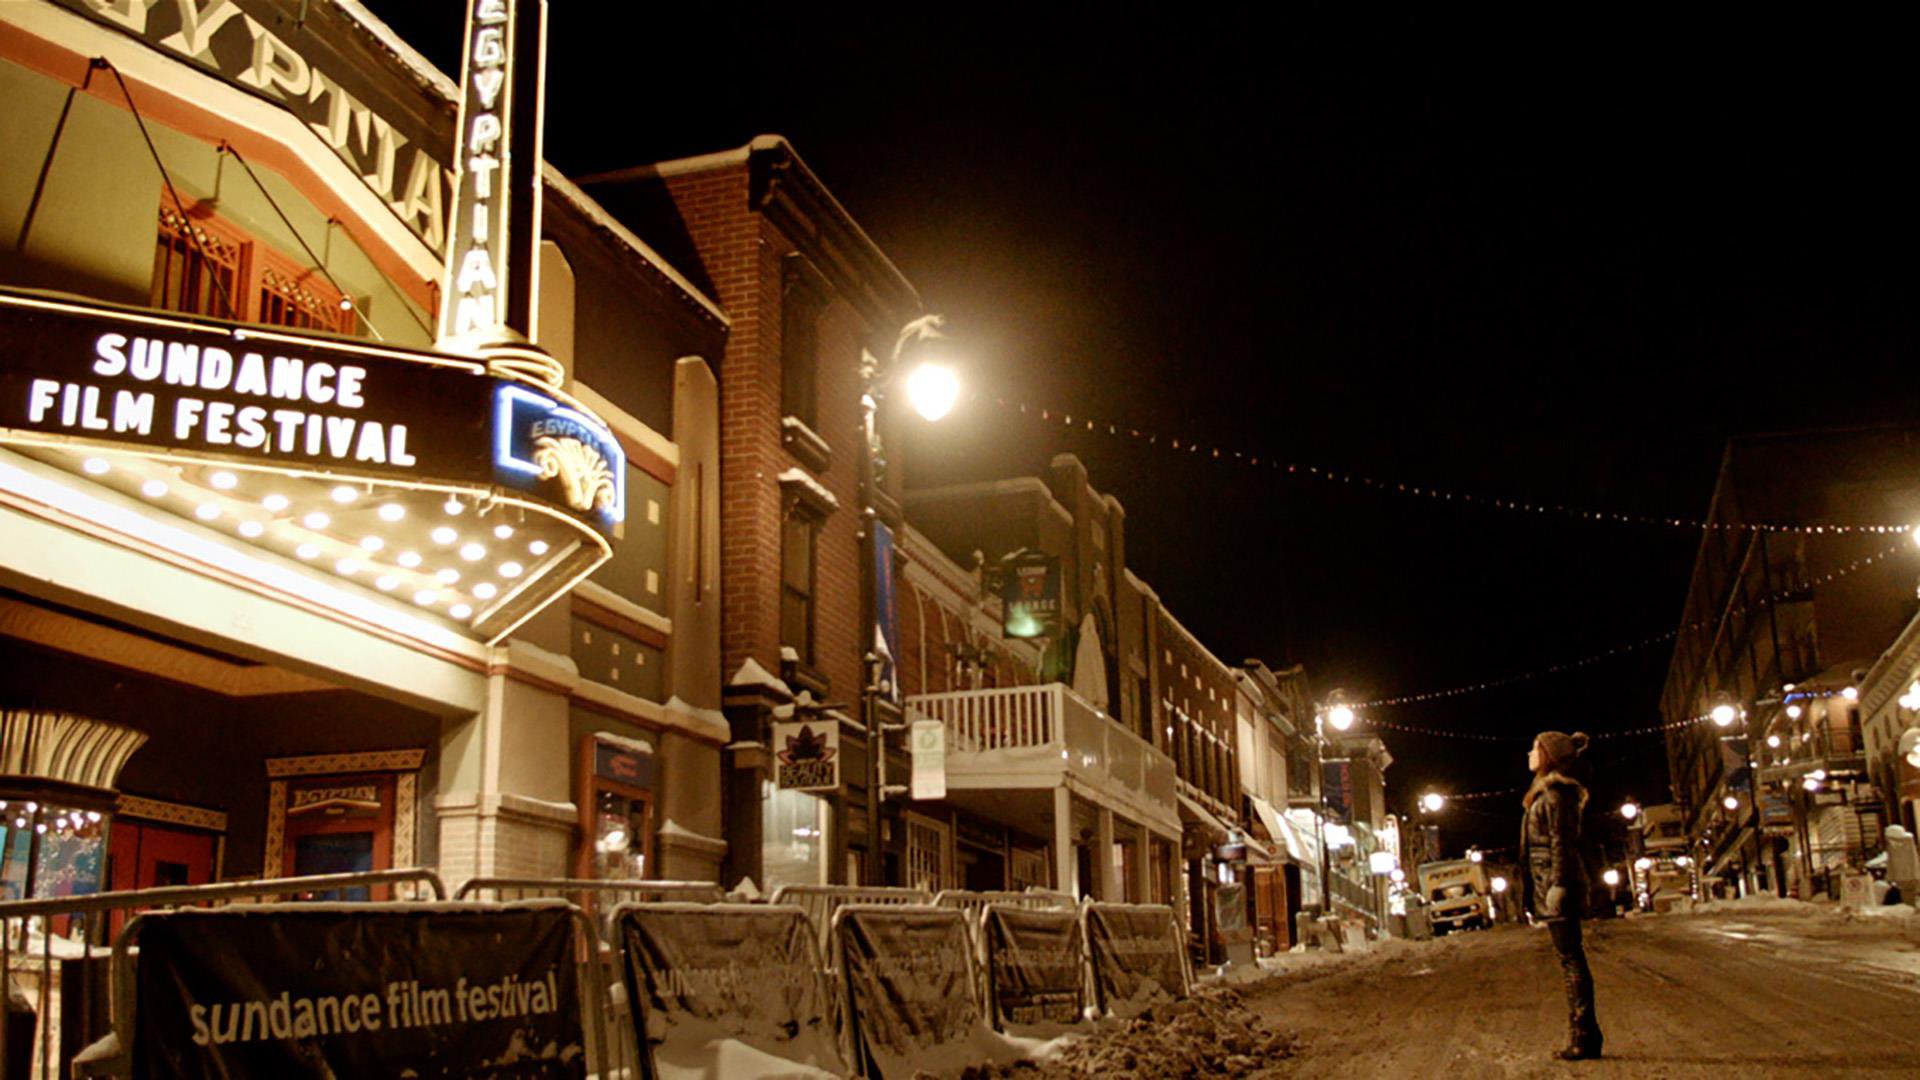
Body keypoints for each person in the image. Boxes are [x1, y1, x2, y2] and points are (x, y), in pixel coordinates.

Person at [1519, 730, 1603, 1060]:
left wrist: (1559, 884)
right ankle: (1586, 1034)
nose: (1529, 754)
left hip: (1556, 886)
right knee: (1569, 959)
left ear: (1549, 755)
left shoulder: (1556, 794)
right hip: (1547, 884)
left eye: (1534, 748)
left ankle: (1584, 1036)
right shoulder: (1545, 793)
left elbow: (1561, 843)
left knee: (1572, 960)